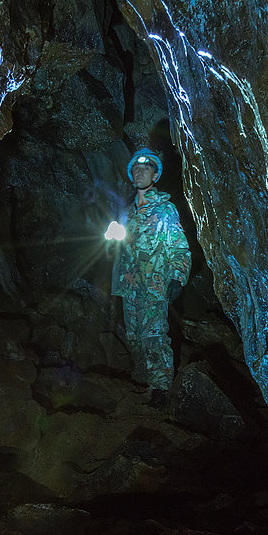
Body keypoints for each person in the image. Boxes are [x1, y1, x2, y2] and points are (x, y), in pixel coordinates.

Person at [111, 149, 192, 407]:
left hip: (156, 284)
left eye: (145, 169)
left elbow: (179, 246)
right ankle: (143, 378)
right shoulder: (126, 213)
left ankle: (161, 388)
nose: (139, 172)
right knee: (134, 334)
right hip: (130, 285)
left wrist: (177, 278)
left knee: (154, 335)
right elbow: (116, 249)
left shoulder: (165, 209)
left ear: (155, 175)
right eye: (135, 169)